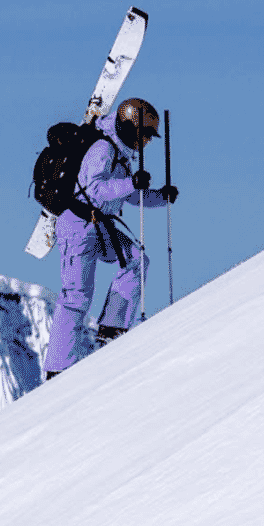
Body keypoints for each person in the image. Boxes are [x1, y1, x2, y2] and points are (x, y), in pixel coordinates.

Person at [43, 97, 178, 378]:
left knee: (137, 261)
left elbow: (130, 195)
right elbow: (95, 190)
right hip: (77, 227)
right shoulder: (103, 149)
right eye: (145, 135)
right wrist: (130, 182)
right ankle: (57, 369)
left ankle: (112, 328)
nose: (147, 142)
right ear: (129, 128)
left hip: (99, 225)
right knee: (76, 296)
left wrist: (160, 197)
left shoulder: (121, 153)